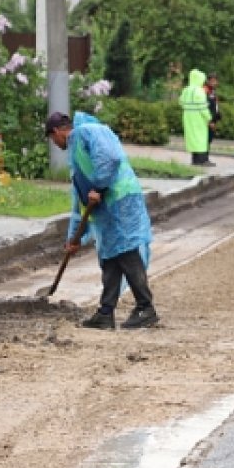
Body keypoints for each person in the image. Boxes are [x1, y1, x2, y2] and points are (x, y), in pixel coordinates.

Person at [45, 111, 159, 330]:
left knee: (125, 251)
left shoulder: (88, 132)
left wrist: (99, 186)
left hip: (120, 199)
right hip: (108, 206)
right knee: (110, 257)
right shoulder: (76, 156)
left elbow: (110, 158)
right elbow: (79, 204)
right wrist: (74, 238)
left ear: (57, 131)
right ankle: (105, 313)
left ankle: (146, 307)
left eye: (52, 138)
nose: (54, 143)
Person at [179, 68, 214, 167]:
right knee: (201, 139)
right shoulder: (199, 91)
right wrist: (209, 118)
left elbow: (181, 102)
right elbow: (203, 108)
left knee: (193, 139)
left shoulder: (186, 90)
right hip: (199, 119)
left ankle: (195, 160)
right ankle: (202, 160)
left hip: (187, 117)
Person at [204, 72, 222, 161]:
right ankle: (204, 158)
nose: (214, 83)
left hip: (213, 119)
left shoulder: (213, 91)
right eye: (212, 81)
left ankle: (206, 158)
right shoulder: (206, 90)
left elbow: (215, 105)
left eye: (215, 81)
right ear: (208, 81)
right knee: (206, 139)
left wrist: (217, 116)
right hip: (208, 120)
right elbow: (205, 107)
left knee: (209, 139)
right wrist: (209, 121)